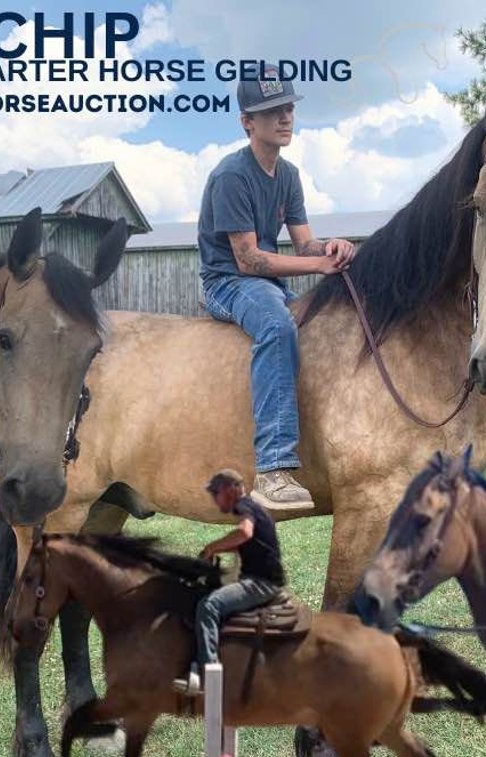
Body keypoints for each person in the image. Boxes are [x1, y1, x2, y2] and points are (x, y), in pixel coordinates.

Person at [197, 67, 356, 512]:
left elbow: (305, 243)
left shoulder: (288, 175)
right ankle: (272, 469)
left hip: (266, 282)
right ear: (247, 121)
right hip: (228, 281)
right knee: (277, 325)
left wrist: (333, 247)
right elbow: (248, 259)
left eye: (288, 107)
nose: (285, 118)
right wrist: (316, 264)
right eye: (272, 111)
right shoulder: (231, 176)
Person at [174, 469, 287, 695]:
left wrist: (213, 547)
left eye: (217, 493)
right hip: (260, 578)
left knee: (209, 606)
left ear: (233, 490)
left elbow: (244, 533)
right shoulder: (255, 509)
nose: (215, 500)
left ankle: (208, 674)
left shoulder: (245, 506)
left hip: (260, 583)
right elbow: (251, 542)